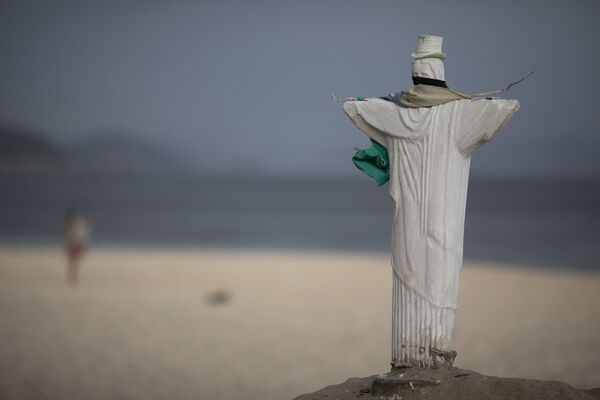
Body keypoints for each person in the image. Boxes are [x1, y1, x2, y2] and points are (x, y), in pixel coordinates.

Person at [63, 208, 93, 285]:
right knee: (72, 262)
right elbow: (68, 236)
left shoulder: (75, 224)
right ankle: (72, 276)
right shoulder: (68, 225)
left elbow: (83, 233)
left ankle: (73, 276)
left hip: (76, 244)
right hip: (72, 244)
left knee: (74, 262)